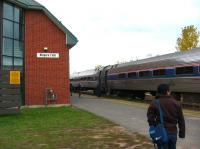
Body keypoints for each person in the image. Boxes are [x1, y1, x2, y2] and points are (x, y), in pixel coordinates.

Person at [147, 84, 185, 149]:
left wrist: (155, 128)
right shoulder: (176, 103)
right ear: (167, 92)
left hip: (161, 133)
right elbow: (181, 120)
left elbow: (150, 119)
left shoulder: (155, 103)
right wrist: (182, 133)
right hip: (173, 133)